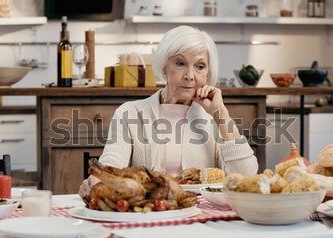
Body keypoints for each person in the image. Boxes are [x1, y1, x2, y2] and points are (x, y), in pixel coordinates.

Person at [93, 25, 258, 179]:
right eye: (180, 63)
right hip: (152, 208)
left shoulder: (214, 118)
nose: (189, 75)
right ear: (164, 66)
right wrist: (98, 179)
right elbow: (111, 164)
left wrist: (221, 115)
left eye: (200, 66)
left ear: (208, 72)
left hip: (201, 208)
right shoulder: (130, 112)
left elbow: (246, 177)